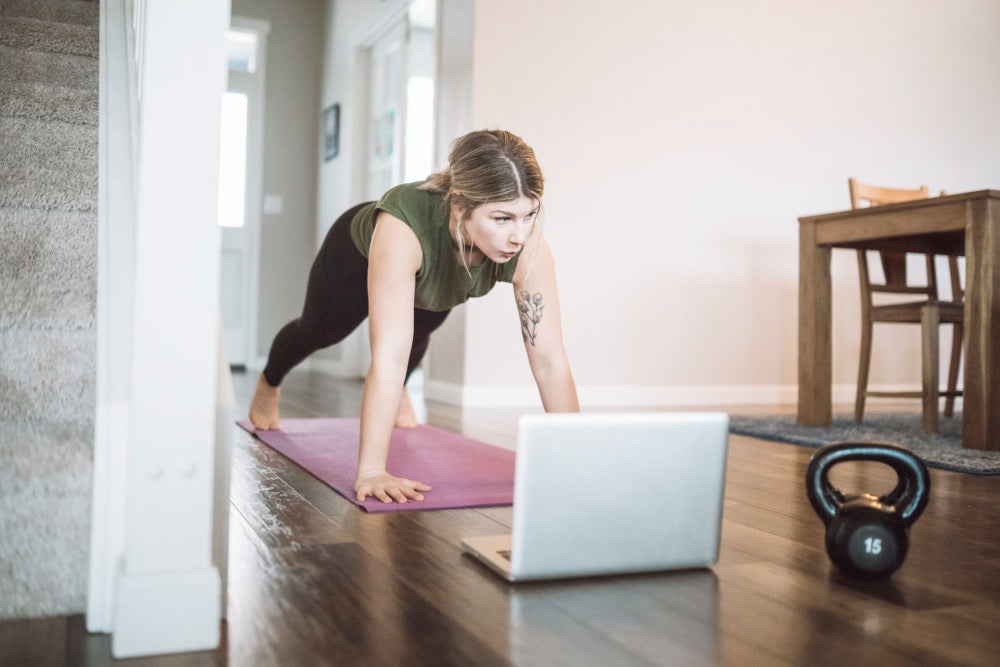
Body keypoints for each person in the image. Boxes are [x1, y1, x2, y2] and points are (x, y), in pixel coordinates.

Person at [249, 129, 579, 504]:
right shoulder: (402, 229)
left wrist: (574, 457)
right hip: (354, 255)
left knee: (421, 329)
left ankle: (402, 389)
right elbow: (387, 356)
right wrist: (372, 471)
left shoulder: (528, 247)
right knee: (320, 331)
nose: (519, 235)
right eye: (502, 218)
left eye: (529, 215)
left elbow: (550, 361)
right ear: (459, 207)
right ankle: (269, 380)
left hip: (434, 271)